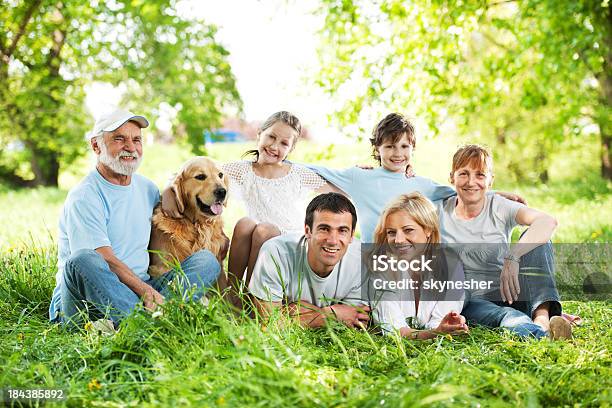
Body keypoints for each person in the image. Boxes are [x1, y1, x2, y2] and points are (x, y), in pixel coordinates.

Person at [49, 108, 221, 329]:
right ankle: (156, 325)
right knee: (83, 259)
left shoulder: (147, 188)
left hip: (139, 286)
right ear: (96, 146)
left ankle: (145, 320)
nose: (130, 147)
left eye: (136, 140)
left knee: (206, 261)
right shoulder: (85, 196)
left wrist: (170, 190)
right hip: (86, 298)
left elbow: (179, 207)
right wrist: (147, 293)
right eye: (119, 139)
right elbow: (106, 261)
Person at [162, 111, 337, 303]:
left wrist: (358, 174)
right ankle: (234, 294)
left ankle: (254, 298)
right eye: (271, 137)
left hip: (291, 242)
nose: (274, 146)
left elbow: (336, 196)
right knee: (245, 223)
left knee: (264, 229)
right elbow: (195, 171)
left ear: (290, 149)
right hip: (259, 238)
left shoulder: (298, 173)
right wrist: (167, 193)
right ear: (259, 134)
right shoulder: (243, 169)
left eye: (283, 143)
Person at [305, 113, 524, 243]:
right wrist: (275, 158)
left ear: (413, 148)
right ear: (377, 149)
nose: (397, 153)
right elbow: (312, 171)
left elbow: (462, 192)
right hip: (376, 259)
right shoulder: (360, 177)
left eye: (404, 146)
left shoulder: (422, 185)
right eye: (389, 147)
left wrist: (498, 194)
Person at [438, 144, 571, 339]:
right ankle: (543, 335)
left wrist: (513, 255)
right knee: (508, 317)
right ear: (452, 177)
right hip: (471, 301)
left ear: (490, 181)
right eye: (464, 174)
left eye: (480, 175)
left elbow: (547, 221)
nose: (471, 182)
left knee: (537, 241)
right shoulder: (439, 211)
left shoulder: (498, 206)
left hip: (509, 289)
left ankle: (542, 317)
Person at [248, 193, 370, 328]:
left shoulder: (362, 261)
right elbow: (268, 323)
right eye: (324, 229)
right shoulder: (275, 253)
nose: (333, 241)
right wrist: (328, 315)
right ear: (308, 231)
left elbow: (354, 323)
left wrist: (299, 312)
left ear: (352, 235)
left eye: (342, 230)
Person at [368, 192, 468, 339]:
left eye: (408, 230)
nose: (398, 240)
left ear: (428, 229)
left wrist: (447, 326)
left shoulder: (450, 264)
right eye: (391, 232)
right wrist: (435, 333)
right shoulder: (382, 267)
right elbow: (393, 331)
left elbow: (440, 323)